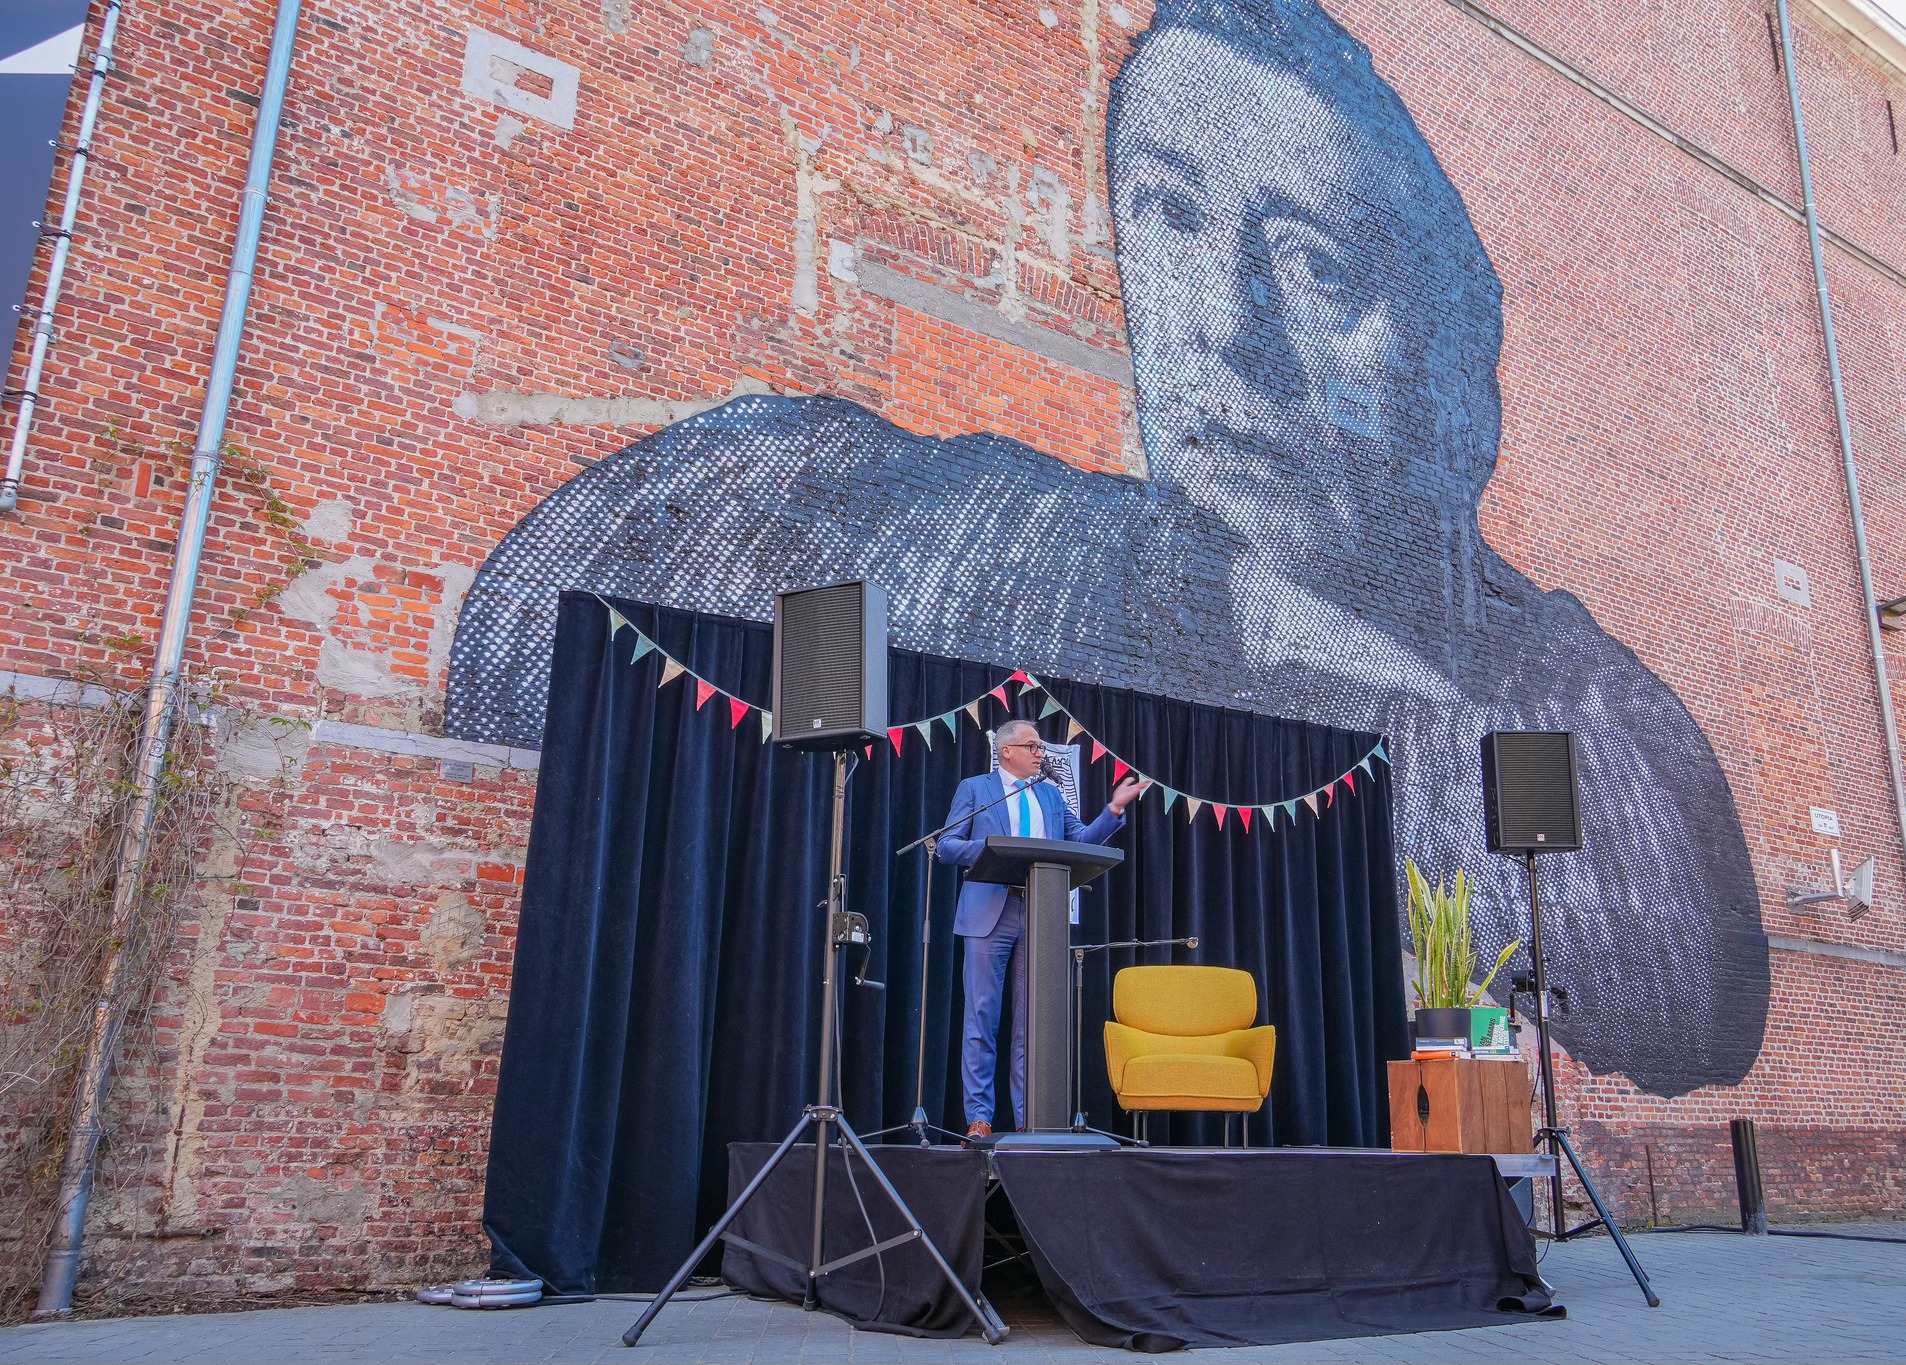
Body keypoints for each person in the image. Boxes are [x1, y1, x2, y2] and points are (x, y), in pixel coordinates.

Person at [444, 0, 1768, 1099]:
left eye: (1311, 266)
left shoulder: (1590, 729)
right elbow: (558, 610)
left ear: (1460, 374)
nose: (1222, 329)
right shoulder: (956, 534)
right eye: (1172, 219)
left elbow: (1684, 1013)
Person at [937, 720, 1148, 1139]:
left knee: (1031, 1025)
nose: (1040, 753)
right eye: (1032, 746)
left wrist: (1115, 809)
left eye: (1041, 747)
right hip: (988, 913)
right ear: (1006, 751)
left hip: (1039, 913)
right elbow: (946, 846)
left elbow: (1083, 838)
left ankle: (1027, 1119)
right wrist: (996, 848)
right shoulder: (976, 790)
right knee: (981, 1019)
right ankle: (979, 1117)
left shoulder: (1050, 794)